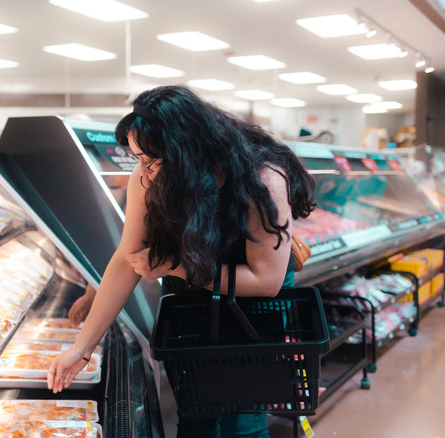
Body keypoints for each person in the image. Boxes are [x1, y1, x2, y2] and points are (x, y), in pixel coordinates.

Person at [47, 85, 316, 438]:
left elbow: (265, 281)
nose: (144, 171)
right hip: (190, 300)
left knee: (244, 421)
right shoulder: (147, 180)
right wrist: (81, 349)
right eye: (138, 159)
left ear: (188, 153)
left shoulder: (262, 178)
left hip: (254, 307)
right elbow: (127, 260)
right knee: (195, 413)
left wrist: (174, 265)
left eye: (152, 160)